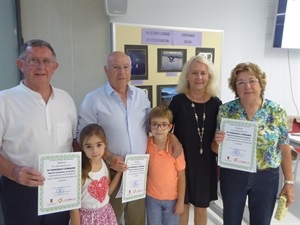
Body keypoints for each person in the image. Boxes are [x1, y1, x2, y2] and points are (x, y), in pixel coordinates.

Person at [77, 51, 182, 225]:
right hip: (110, 172)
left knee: (137, 220)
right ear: (106, 70)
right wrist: (110, 158)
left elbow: (155, 124)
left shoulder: (141, 96)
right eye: (116, 67)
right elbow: (84, 139)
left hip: (138, 171)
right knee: (110, 219)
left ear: (131, 70)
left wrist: (174, 138)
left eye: (126, 67)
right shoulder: (93, 99)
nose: (121, 72)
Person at [0, 39, 77, 225]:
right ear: (20, 64)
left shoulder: (66, 99)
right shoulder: (4, 101)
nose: (41, 66)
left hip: (60, 189)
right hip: (20, 190)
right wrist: (14, 171)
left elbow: (73, 142)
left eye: (46, 61)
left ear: (55, 66)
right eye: (33, 60)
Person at [214, 62, 295, 225]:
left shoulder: (276, 110)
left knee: (262, 222)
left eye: (252, 81)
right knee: (230, 221)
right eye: (241, 82)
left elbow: (285, 149)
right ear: (235, 87)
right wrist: (217, 141)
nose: (247, 86)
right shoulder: (226, 110)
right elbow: (215, 149)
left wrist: (289, 182)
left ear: (261, 83)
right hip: (233, 174)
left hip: (266, 177)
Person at [168, 55, 222, 225]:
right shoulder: (178, 101)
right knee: (182, 206)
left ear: (209, 76)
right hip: (182, 162)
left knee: (201, 208)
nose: (199, 77)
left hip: (206, 164)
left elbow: (221, 132)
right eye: (194, 73)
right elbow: (165, 128)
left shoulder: (216, 104)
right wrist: (174, 139)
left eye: (203, 73)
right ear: (187, 76)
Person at [70, 124, 122, 225]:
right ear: (82, 147)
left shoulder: (104, 164)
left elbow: (108, 191)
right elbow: (73, 206)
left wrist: (119, 172)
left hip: (106, 215)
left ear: (105, 143)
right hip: (88, 219)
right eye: (89, 146)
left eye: (98, 145)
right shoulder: (81, 171)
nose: (94, 151)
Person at [146, 106, 186, 225]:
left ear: (170, 127)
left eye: (164, 124)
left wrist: (180, 202)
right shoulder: (147, 144)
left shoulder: (176, 149)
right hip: (152, 198)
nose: (159, 129)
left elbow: (182, 177)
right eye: (155, 124)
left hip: (172, 200)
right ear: (150, 126)